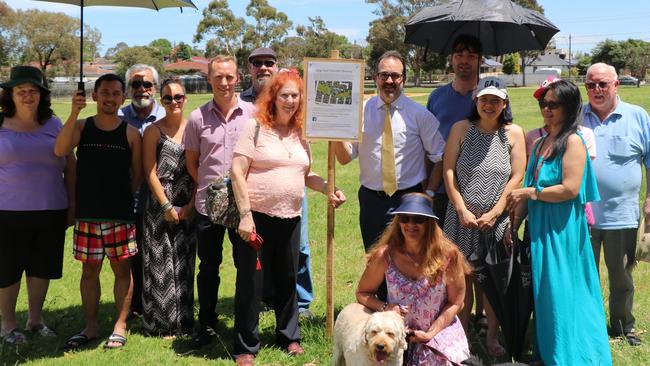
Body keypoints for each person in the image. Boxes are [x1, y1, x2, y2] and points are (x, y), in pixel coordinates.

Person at [230, 71, 346, 366]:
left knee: (288, 279)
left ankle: (289, 336)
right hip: (254, 218)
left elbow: (307, 175)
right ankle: (246, 344)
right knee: (251, 282)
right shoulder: (255, 126)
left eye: (295, 96)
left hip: (291, 217)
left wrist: (327, 189)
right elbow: (237, 172)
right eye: (285, 95)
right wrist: (245, 216)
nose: (291, 101)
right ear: (273, 97)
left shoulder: (300, 133)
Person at [507, 79, 612, 365]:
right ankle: (549, 351)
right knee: (546, 293)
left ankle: (572, 356)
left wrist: (532, 192)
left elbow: (571, 189)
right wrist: (513, 224)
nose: (546, 109)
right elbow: (529, 190)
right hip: (540, 228)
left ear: (569, 107)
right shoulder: (540, 142)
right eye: (543, 103)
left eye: (553, 104)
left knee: (563, 291)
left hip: (563, 229)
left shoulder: (573, 141)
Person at [54, 73, 142, 350]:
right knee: (89, 272)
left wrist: (120, 198)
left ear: (123, 98)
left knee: (122, 271)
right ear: (94, 96)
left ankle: (120, 324)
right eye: (104, 92)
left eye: (116, 93)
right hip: (88, 216)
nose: (110, 98)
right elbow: (60, 149)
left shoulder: (130, 132)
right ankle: (91, 326)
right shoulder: (81, 127)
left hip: (119, 215)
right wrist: (73, 112)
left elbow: (137, 175)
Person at [442, 76, 525, 357]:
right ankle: (462, 339)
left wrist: (496, 212)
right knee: (460, 281)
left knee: (492, 283)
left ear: (504, 103)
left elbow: (517, 176)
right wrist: (461, 208)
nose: (489, 105)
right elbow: (449, 171)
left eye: (495, 100)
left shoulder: (513, 133)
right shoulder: (461, 129)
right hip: (460, 220)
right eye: (484, 99)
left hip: (496, 222)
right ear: (475, 101)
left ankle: (491, 337)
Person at [335, 50, 445, 252]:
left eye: (395, 75)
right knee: (375, 260)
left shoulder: (420, 115)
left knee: (411, 264)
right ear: (376, 77)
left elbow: (439, 156)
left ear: (403, 79)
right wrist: (336, 131)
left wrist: (429, 193)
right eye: (384, 74)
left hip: (410, 200)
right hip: (371, 201)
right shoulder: (360, 113)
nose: (389, 80)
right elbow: (344, 158)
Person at [183, 55, 256, 347]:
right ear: (209, 79)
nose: (224, 83)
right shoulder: (197, 118)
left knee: (245, 266)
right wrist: (210, 188)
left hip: (243, 206)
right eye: (218, 77)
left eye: (229, 77)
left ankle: (243, 320)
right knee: (208, 266)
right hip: (207, 207)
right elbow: (192, 163)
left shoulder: (252, 114)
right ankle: (207, 321)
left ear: (237, 78)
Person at [0, 66, 75, 345]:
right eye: (21, 91)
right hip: (6, 212)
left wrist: (72, 204)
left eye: (33, 91)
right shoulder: (0, 123)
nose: (28, 96)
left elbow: (70, 165)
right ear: (11, 94)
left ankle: (35, 319)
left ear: (42, 95)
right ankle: (8, 324)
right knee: (7, 269)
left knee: (41, 267)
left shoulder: (54, 123)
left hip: (50, 209)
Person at [241, 46, 315, 318]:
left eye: (268, 62)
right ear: (249, 68)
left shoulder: (298, 116)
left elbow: (307, 164)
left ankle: (301, 302)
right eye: (257, 63)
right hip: (259, 197)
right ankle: (267, 298)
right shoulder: (244, 104)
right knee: (262, 254)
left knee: (299, 249)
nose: (263, 67)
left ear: (276, 66)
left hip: (293, 193)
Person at [356, 193, 471, 365]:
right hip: (397, 335)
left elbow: (456, 303)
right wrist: (386, 307)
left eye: (418, 219)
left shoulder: (448, 256)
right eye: (404, 218)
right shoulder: (385, 256)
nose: (410, 224)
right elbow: (363, 293)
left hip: (440, 331)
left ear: (430, 223)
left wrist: (431, 333)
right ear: (398, 222)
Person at [426, 34, 490, 337]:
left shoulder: (489, 96)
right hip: (443, 191)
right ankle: (450, 311)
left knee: (480, 259)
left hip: (482, 189)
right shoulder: (437, 97)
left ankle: (479, 315)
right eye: (459, 54)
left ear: (479, 60)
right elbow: (429, 144)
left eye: (471, 54)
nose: (464, 60)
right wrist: (427, 187)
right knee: (448, 258)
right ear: (452, 60)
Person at [582, 62, 650, 346]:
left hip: (622, 214)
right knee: (584, 274)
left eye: (603, 84)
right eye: (591, 85)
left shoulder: (637, 116)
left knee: (621, 276)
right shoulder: (576, 116)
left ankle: (623, 326)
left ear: (616, 85)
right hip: (582, 215)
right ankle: (590, 326)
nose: (597, 90)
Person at [141, 78, 195, 337]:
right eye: (167, 98)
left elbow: (200, 170)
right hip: (159, 202)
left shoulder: (193, 128)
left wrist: (191, 205)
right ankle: (161, 324)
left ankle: (184, 321)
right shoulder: (153, 131)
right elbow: (149, 172)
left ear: (185, 99)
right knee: (160, 262)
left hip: (188, 202)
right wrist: (165, 205)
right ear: (160, 101)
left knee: (184, 261)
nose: (173, 101)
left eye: (178, 97)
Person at [119, 64, 166, 317]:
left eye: (146, 84)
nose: (141, 89)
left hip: (160, 201)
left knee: (157, 255)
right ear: (128, 89)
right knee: (132, 256)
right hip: (127, 200)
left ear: (155, 88)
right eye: (135, 85)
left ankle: (157, 303)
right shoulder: (117, 117)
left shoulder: (165, 116)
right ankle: (135, 305)